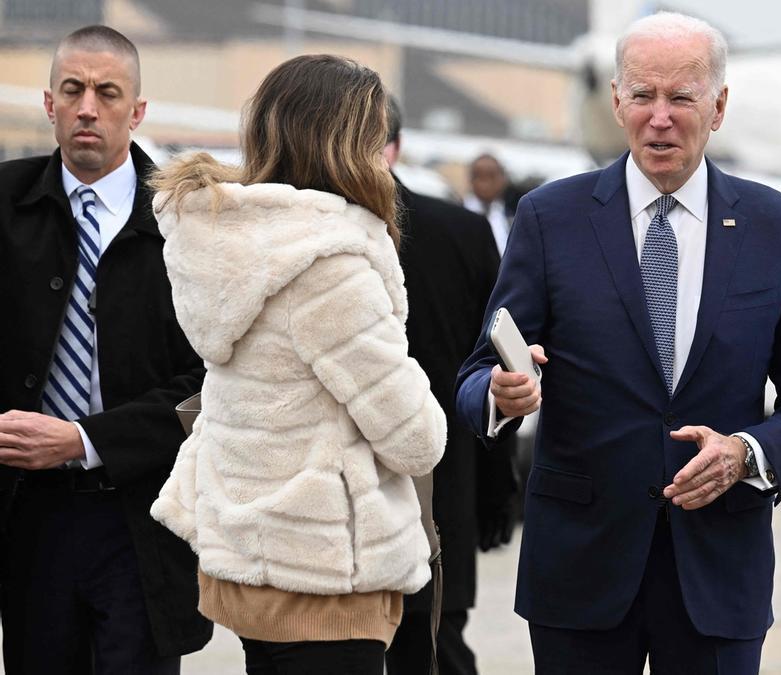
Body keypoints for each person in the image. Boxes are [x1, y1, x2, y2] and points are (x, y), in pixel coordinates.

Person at [456, 12, 781, 673]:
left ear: (718, 106)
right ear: (616, 100)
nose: (659, 117)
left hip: (717, 573)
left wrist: (748, 452)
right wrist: (500, 394)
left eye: (681, 97)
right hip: (580, 575)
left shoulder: (773, 226)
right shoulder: (551, 219)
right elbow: (474, 376)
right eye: (642, 96)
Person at [149, 55, 445, 674]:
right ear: (351, 144)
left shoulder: (229, 241)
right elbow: (416, 440)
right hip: (324, 575)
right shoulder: (328, 267)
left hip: (253, 559)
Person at [0, 25, 211, 674]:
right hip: (26, 515)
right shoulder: (5, 203)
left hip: (143, 515)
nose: (88, 106)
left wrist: (86, 439)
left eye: (107, 92)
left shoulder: (190, 222)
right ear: (49, 104)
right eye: (73, 89)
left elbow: (209, 386)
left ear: (137, 111)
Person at [380, 96, 517, 675]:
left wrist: (493, 493)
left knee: (436, 649)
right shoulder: (460, 232)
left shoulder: (462, 234)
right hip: (432, 502)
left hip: (439, 502)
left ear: (396, 148)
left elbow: (496, 373)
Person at [463, 153, 515, 256]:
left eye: (492, 176)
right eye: (480, 176)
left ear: (503, 179)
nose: (486, 183)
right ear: (471, 180)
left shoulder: (511, 217)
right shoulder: (458, 215)